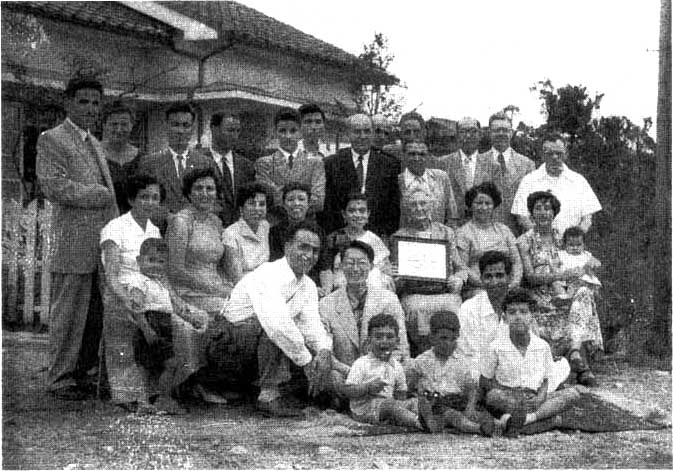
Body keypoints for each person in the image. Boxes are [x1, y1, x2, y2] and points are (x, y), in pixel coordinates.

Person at [37, 73, 118, 400]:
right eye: (82, 101)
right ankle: (59, 378)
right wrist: (94, 194)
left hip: (98, 241)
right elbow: (53, 185)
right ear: (68, 103)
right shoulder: (52, 138)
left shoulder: (94, 142)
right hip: (71, 242)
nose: (90, 108)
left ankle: (82, 372)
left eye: (96, 103)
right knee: (68, 314)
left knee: (93, 315)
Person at [219, 221, 333, 417]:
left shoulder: (308, 285)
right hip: (228, 347)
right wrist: (306, 362)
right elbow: (277, 325)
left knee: (317, 345)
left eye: (315, 251)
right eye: (303, 247)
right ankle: (268, 396)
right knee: (277, 328)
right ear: (288, 246)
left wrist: (323, 351)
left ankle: (285, 390)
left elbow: (312, 325)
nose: (309, 255)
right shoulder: (267, 273)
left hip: (256, 350)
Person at [103, 237, 206, 414]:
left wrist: (191, 320)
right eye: (151, 260)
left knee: (152, 367)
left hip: (164, 326)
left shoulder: (160, 284)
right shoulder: (139, 282)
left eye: (161, 262)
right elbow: (137, 309)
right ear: (139, 260)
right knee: (168, 364)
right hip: (150, 326)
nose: (156, 265)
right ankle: (162, 399)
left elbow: (172, 307)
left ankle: (145, 402)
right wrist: (147, 330)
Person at [517, 191, 603, 386]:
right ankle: (578, 367)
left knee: (584, 293)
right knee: (569, 306)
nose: (543, 212)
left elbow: (582, 257)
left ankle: (574, 352)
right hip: (539, 296)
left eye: (547, 208)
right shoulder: (525, 241)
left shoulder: (562, 237)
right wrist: (559, 276)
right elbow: (529, 277)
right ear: (531, 213)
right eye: (538, 208)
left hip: (567, 292)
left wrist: (589, 266)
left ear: (554, 213)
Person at [165, 167, 232, 403]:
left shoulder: (215, 221)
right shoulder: (181, 222)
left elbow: (221, 263)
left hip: (216, 286)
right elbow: (175, 270)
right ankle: (196, 382)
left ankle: (230, 380)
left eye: (210, 188)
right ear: (189, 193)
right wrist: (215, 289)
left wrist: (230, 286)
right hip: (187, 291)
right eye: (199, 188)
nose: (205, 193)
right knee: (227, 315)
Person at [455, 251, 571, 383]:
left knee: (562, 366)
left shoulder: (519, 307)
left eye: (499, 276)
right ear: (481, 278)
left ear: (509, 277)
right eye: (488, 276)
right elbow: (470, 355)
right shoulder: (469, 309)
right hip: (481, 372)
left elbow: (530, 345)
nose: (494, 282)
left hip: (515, 369)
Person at [319, 241, 409, 406]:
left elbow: (400, 345)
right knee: (332, 376)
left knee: (409, 367)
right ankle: (353, 399)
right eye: (350, 263)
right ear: (340, 266)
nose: (355, 269)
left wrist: (380, 372)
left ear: (371, 266)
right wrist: (356, 375)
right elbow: (325, 350)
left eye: (361, 263)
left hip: (383, 371)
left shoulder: (388, 299)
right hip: (346, 374)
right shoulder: (326, 304)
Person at [479, 289, 580, 435]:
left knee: (572, 394)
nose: (518, 317)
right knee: (493, 396)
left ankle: (525, 420)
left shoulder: (542, 346)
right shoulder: (496, 346)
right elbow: (485, 381)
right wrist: (509, 394)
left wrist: (540, 397)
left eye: (523, 312)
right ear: (505, 317)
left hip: (534, 400)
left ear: (532, 316)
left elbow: (546, 379)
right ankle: (546, 421)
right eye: (512, 312)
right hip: (508, 399)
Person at [391, 188, 469, 356]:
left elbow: (461, 268)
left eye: (423, 203)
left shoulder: (446, 233)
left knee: (453, 306)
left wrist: (459, 279)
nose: (419, 208)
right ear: (407, 209)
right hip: (414, 293)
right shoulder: (400, 236)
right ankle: (425, 356)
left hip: (444, 291)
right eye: (413, 205)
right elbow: (395, 279)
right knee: (416, 309)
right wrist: (398, 277)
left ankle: (453, 356)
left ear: (432, 206)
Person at [405, 311, 506, 436]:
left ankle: (501, 423)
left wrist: (470, 407)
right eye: (443, 338)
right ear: (432, 338)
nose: (448, 344)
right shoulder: (421, 361)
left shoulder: (461, 361)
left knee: (476, 414)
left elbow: (471, 388)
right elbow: (410, 386)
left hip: (457, 401)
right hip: (435, 405)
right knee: (452, 415)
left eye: (453, 339)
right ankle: (477, 429)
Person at [134, 102, 212, 232]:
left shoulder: (205, 163)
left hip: (198, 233)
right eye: (175, 125)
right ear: (166, 126)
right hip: (160, 232)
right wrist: (170, 218)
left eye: (185, 125)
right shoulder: (149, 163)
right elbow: (142, 201)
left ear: (192, 128)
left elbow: (215, 201)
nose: (180, 131)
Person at [323, 113, 401, 237]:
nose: (362, 136)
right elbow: (328, 205)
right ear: (348, 134)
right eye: (357, 132)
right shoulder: (331, 164)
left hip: (376, 235)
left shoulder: (389, 165)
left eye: (367, 131)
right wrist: (334, 234)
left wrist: (386, 234)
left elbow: (393, 206)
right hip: (341, 236)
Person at [511, 132, 602, 235]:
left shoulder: (579, 181)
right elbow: (522, 218)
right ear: (542, 155)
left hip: (571, 247)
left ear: (566, 154)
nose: (554, 157)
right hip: (538, 245)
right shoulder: (528, 181)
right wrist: (545, 239)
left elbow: (587, 219)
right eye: (549, 153)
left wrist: (573, 239)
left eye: (559, 153)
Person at [343, 314, 423, 429]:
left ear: (397, 341)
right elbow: (348, 390)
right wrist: (367, 388)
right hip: (365, 409)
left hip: (388, 406)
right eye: (378, 337)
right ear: (369, 340)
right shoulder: (362, 363)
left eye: (389, 337)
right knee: (390, 406)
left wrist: (403, 404)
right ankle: (417, 422)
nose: (384, 341)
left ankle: (428, 417)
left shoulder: (396, 366)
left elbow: (401, 394)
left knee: (414, 402)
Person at [319, 192, 394, 293]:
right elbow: (326, 269)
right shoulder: (334, 239)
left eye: (362, 211)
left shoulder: (374, 239)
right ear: (344, 214)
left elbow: (386, 271)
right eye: (352, 211)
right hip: (341, 290)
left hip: (373, 292)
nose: (357, 215)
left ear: (368, 214)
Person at [255, 107, 326, 215]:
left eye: (293, 131)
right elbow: (267, 199)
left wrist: (280, 192)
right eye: (282, 131)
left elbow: (318, 201)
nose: (288, 136)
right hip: (276, 225)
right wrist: (303, 200)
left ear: (301, 132)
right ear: (275, 133)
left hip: (307, 227)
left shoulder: (315, 163)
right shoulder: (264, 163)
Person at [455, 182, 522, 294]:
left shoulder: (504, 230)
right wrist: (489, 286)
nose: (483, 207)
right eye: (478, 203)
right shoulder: (463, 233)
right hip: (478, 288)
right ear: (471, 205)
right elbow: (463, 267)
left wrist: (514, 283)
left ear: (494, 205)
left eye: (488, 203)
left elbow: (516, 262)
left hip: (508, 287)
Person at [479, 111, 535, 234]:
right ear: (489, 133)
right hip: (483, 234)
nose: (501, 134)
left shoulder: (527, 165)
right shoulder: (478, 162)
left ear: (511, 132)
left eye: (505, 130)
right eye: (497, 130)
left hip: (516, 233)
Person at [201, 111, 256, 227]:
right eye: (230, 130)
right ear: (214, 129)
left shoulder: (247, 166)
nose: (234, 136)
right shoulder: (198, 162)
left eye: (237, 131)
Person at [433, 117, 492, 223]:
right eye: (463, 131)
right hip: (451, 226)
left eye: (473, 131)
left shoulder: (492, 166)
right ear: (457, 136)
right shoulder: (442, 163)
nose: (468, 136)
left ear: (480, 135)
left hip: (481, 226)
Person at [268, 182, 324, 289]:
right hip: (284, 284)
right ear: (284, 204)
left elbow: (325, 268)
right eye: (291, 199)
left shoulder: (318, 232)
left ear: (308, 203)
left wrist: (326, 292)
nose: (296, 203)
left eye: (301, 199)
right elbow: (278, 267)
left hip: (316, 286)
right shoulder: (274, 233)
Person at [398, 141, 459, 229]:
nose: (417, 158)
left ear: (428, 156)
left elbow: (452, 216)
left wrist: (445, 236)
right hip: (406, 240)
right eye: (412, 154)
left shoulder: (441, 178)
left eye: (422, 154)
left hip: (438, 238)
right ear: (403, 156)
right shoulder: (397, 181)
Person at [222, 182, 271, 285]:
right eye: (251, 204)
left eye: (262, 204)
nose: (257, 209)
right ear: (241, 209)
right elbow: (237, 278)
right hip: (243, 289)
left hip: (267, 283)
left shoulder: (265, 227)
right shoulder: (231, 234)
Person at [101, 101, 139, 214]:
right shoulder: (93, 155)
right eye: (114, 124)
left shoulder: (143, 158)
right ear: (104, 126)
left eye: (124, 124)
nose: (119, 130)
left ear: (132, 126)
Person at [551, 226, 602, 300]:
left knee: (584, 285)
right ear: (565, 244)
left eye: (578, 245)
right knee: (555, 283)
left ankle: (572, 296)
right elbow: (554, 264)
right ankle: (563, 296)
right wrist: (558, 271)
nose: (575, 248)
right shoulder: (562, 254)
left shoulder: (586, 254)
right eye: (571, 245)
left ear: (584, 244)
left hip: (582, 279)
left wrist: (593, 264)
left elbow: (597, 262)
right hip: (566, 278)